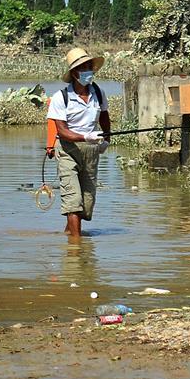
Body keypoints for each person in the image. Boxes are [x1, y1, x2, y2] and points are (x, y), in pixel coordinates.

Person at [46, 47, 111, 237]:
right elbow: (62, 132)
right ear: (75, 73)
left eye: (90, 66)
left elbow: (105, 118)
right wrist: (85, 136)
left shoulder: (98, 93)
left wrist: (106, 138)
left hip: (91, 151)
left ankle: (69, 232)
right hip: (68, 150)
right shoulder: (61, 97)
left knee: (86, 202)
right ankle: (75, 249)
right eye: (84, 67)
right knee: (73, 200)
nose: (88, 70)